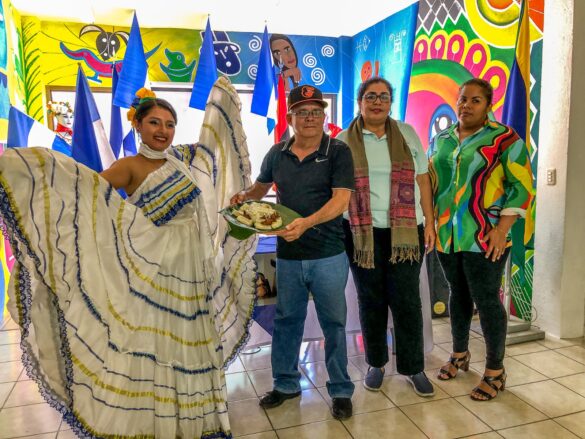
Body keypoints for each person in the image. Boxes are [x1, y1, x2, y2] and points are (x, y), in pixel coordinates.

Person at [0, 77, 258, 438]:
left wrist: (222, 101)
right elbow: (83, 196)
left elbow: (212, 152)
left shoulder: (182, 160)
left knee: (191, 342)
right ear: (137, 124)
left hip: (192, 271)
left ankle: (198, 420)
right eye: (154, 122)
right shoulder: (129, 166)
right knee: (160, 344)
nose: (163, 130)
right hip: (155, 273)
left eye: (169, 124)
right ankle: (160, 421)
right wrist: (33, 170)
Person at [231, 85, 355, 420]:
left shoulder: (338, 151)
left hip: (328, 254)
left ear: (324, 116)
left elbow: (341, 201)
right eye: (303, 112)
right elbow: (261, 188)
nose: (310, 117)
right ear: (291, 118)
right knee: (287, 321)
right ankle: (285, 383)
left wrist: (305, 223)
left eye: (316, 111)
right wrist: (244, 196)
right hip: (288, 256)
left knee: (334, 323)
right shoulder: (277, 153)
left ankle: (341, 389)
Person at [428, 78, 534, 401]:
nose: (466, 105)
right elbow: (431, 183)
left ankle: (495, 370)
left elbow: (522, 186)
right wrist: (430, 223)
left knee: (486, 299)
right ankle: (459, 353)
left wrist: (501, 230)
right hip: (448, 235)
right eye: (462, 99)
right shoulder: (441, 140)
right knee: (458, 295)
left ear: (488, 105)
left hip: (486, 236)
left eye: (475, 100)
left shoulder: (504, 139)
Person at [337, 77, 436, 397]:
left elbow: (423, 181)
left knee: (407, 301)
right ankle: (376, 363)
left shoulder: (406, 133)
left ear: (390, 102)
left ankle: (413, 366)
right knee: (371, 300)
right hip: (360, 235)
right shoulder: (342, 140)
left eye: (383, 96)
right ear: (360, 101)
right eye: (370, 96)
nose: (377, 101)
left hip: (406, 232)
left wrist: (431, 224)